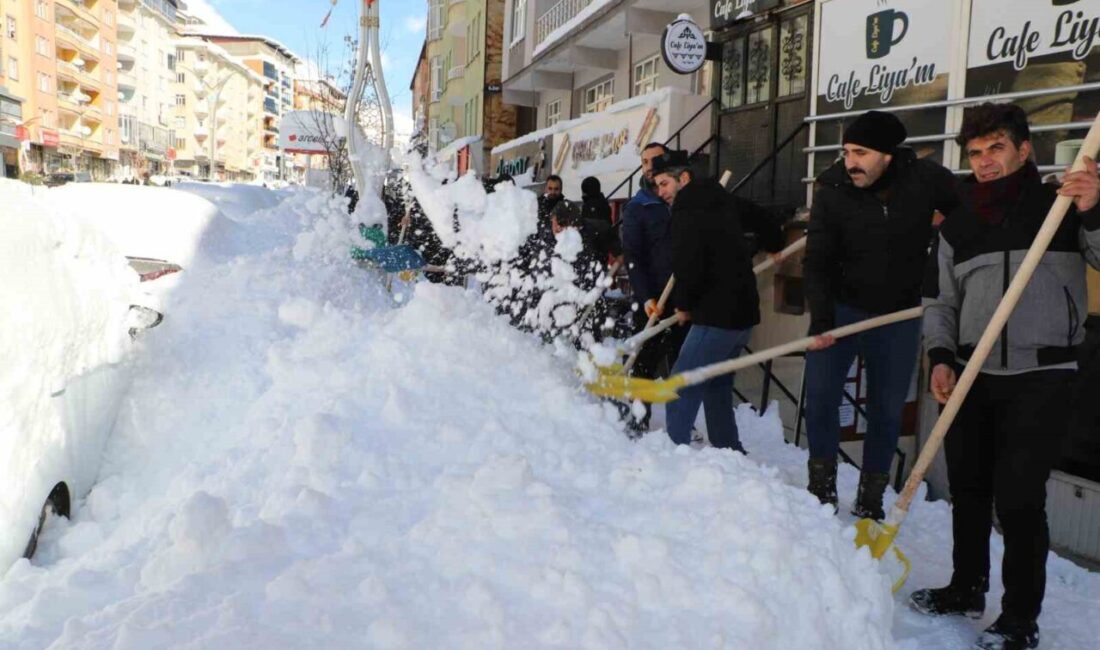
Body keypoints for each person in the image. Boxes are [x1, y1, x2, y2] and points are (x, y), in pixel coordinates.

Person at [913, 103, 1100, 650]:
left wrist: (1092, 208)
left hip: (1044, 374)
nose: (985, 161)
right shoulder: (960, 223)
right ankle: (966, 586)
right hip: (974, 372)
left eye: (997, 148)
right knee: (967, 487)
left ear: (1024, 150)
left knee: (1018, 499)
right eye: (975, 153)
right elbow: (939, 300)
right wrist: (941, 356)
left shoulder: (1060, 205)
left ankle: (1020, 617)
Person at [801, 110, 960, 519]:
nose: (850, 161)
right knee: (820, 399)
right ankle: (821, 489)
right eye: (846, 151)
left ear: (888, 155)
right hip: (840, 307)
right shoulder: (832, 188)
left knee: (887, 407)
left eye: (860, 152)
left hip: (899, 313)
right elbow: (816, 259)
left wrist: (942, 235)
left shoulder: (925, 179)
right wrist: (821, 321)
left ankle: (871, 497)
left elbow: (967, 210)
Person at [652, 150, 784, 450]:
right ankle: (728, 451)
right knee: (716, 384)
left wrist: (684, 304)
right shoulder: (720, 198)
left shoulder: (686, 212)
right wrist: (774, 244)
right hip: (743, 315)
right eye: (657, 187)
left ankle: (673, 457)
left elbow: (688, 264)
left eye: (664, 184)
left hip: (716, 316)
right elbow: (763, 217)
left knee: (681, 385)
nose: (661, 193)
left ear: (683, 178)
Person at [621, 142, 687, 431]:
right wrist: (646, 295)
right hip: (654, 300)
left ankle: (681, 423)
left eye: (655, 159)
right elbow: (633, 256)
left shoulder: (682, 198)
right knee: (644, 362)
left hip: (685, 296)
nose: (649, 165)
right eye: (644, 161)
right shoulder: (638, 207)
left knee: (682, 363)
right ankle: (638, 419)